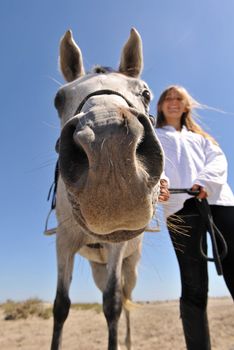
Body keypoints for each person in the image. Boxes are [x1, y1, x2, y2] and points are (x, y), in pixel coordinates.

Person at [155, 85, 234, 350]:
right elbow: (155, 164)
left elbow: (218, 161)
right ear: (161, 106)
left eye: (179, 98)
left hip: (220, 203)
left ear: (186, 105)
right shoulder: (153, 136)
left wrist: (204, 182)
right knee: (194, 285)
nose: (173, 102)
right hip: (180, 208)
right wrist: (160, 183)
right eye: (168, 98)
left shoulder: (202, 138)